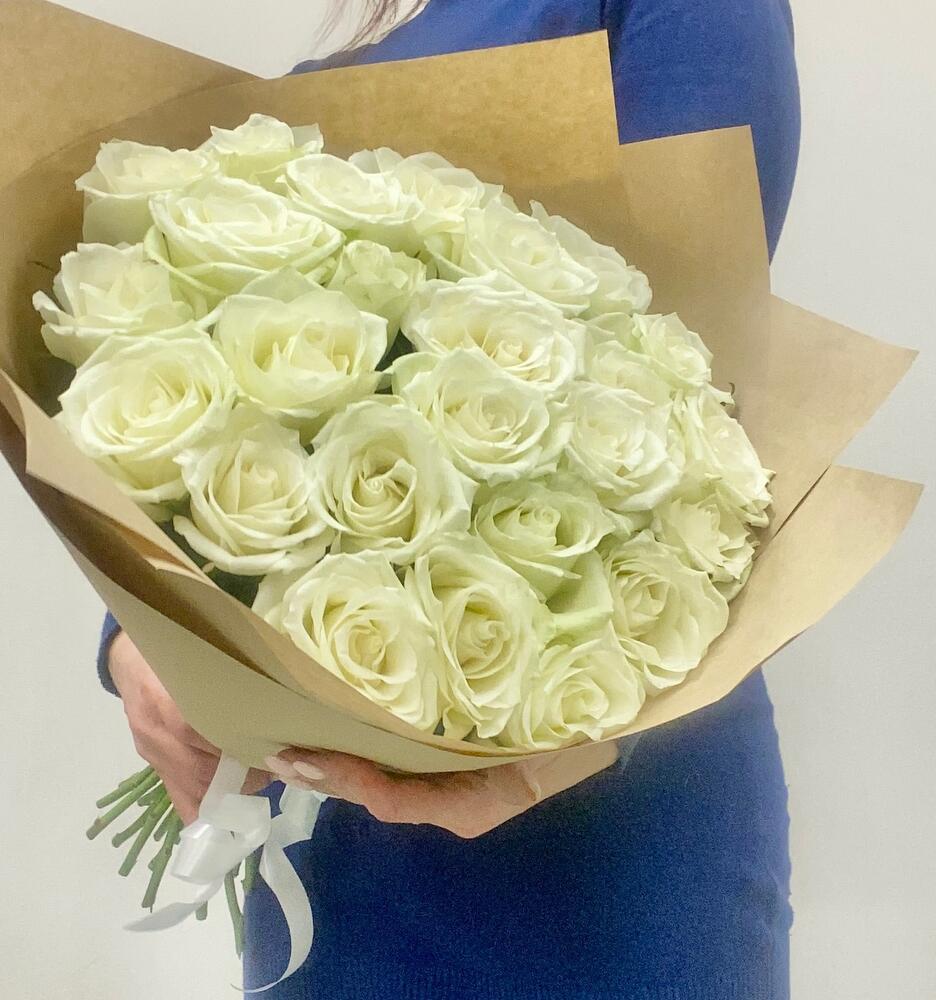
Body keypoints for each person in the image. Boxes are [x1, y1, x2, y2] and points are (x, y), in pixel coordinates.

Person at [101, 1, 800, 996]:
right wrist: (145, 632)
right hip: (333, 834)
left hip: (594, 835)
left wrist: (544, 762)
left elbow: (690, 383)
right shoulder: (370, 26)